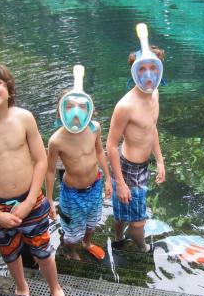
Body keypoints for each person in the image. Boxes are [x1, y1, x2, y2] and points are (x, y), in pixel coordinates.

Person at [0, 61, 68, 296]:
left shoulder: (24, 118)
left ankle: (55, 289)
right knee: (9, 251)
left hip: (31, 199)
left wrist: (30, 200)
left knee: (43, 249)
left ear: (9, 88)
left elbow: (41, 161)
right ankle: (21, 286)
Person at [107, 24, 166, 253]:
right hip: (128, 167)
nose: (149, 74)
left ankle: (118, 236)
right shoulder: (125, 106)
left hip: (144, 165)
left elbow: (152, 128)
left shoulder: (155, 94)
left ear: (160, 69)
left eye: (154, 68)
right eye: (142, 69)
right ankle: (142, 247)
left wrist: (159, 160)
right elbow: (111, 145)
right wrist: (120, 183)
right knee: (139, 221)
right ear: (134, 71)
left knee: (123, 212)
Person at [46, 65, 112, 261]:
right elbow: (50, 171)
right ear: (60, 111)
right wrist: (49, 199)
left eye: (82, 106)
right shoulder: (57, 140)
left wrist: (108, 179)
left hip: (95, 186)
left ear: (90, 110)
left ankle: (87, 242)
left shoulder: (95, 129)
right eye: (69, 106)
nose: (76, 111)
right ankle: (71, 250)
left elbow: (100, 152)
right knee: (72, 230)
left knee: (92, 221)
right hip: (72, 193)